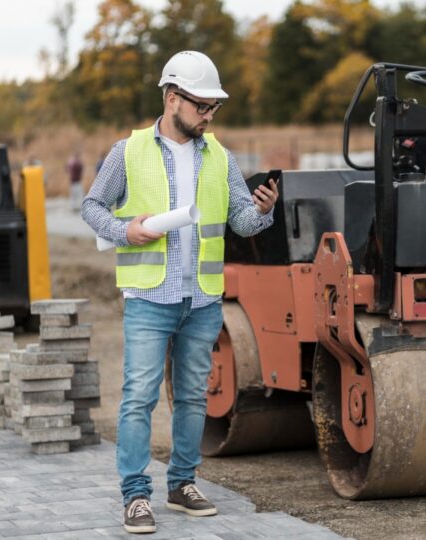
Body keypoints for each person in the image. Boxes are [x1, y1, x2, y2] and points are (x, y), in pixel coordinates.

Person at [81, 50, 279, 534]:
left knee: (193, 396)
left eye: (214, 108)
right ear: (173, 99)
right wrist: (128, 231)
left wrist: (265, 209)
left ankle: (182, 483)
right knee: (138, 398)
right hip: (149, 297)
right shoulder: (127, 152)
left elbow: (241, 223)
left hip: (203, 299)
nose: (210, 116)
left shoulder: (221, 158)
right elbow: (92, 207)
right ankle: (135, 495)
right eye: (202, 106)